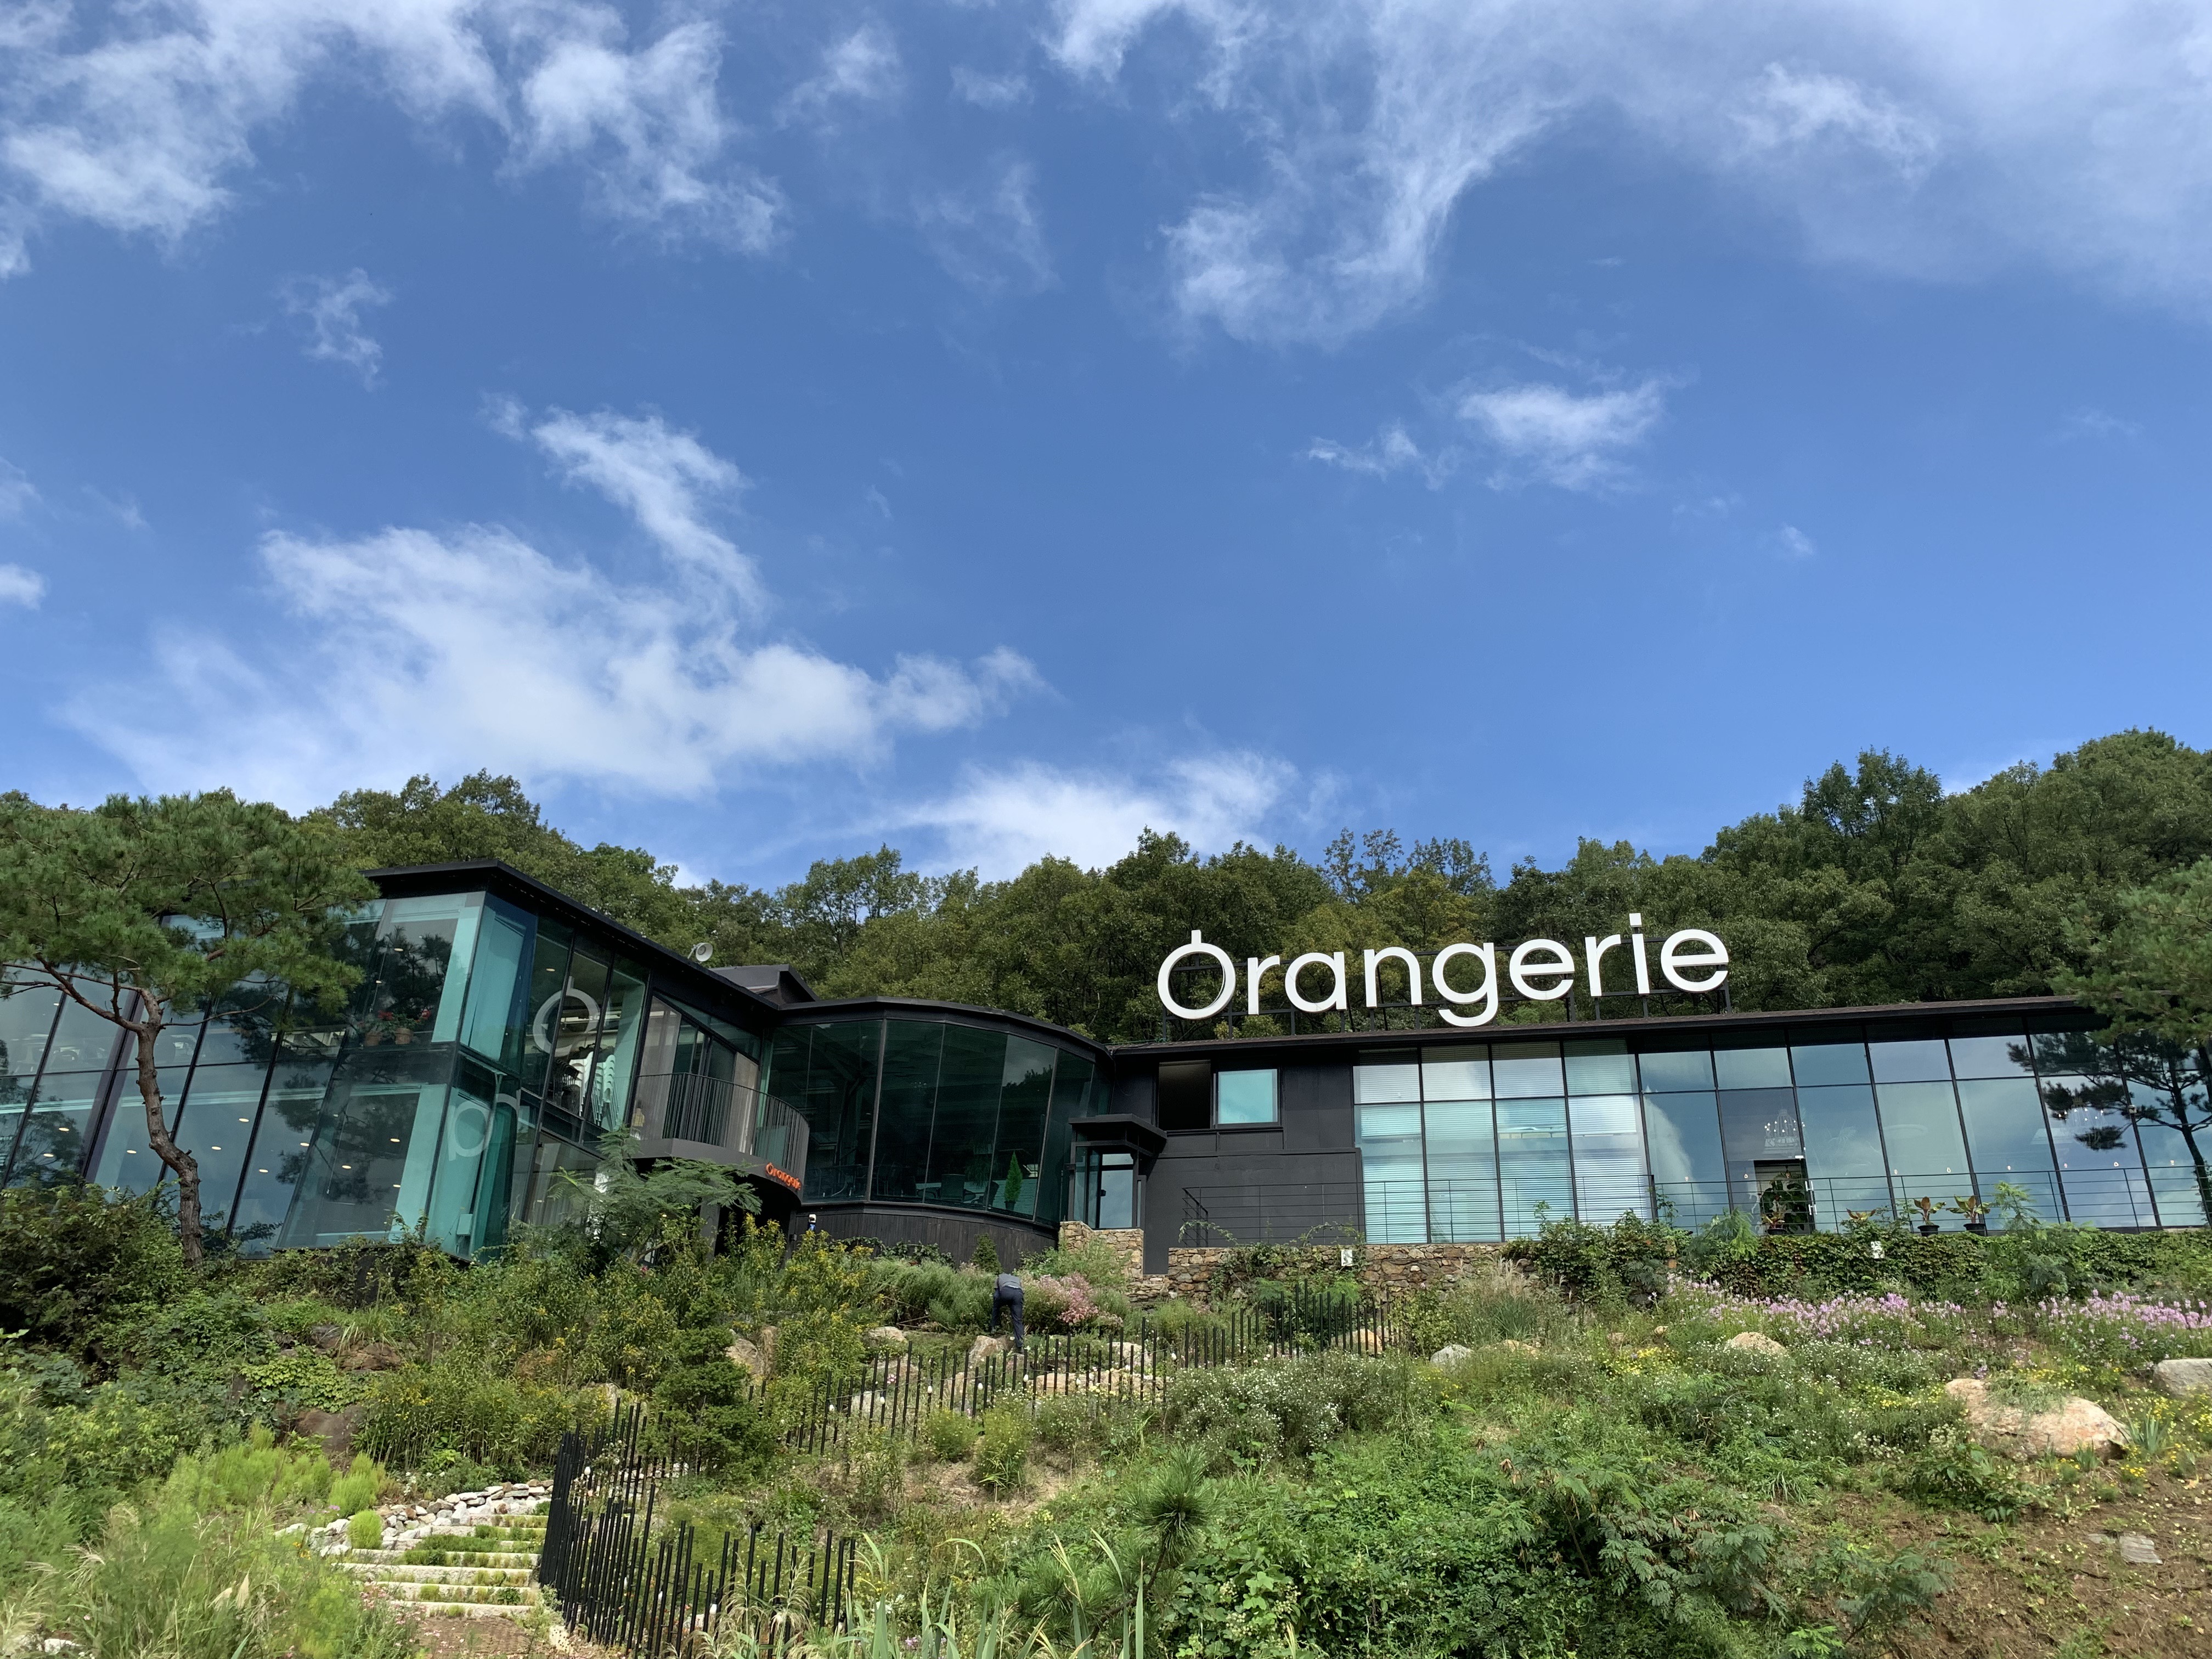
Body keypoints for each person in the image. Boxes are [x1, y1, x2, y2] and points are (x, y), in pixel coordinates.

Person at [989, 1269, 1025, 1353]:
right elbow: (1023, 1292)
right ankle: (1020, 1346)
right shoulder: (1017, 1279)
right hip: (1018, 1294)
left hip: (1006, 1291)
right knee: (1018, 1320)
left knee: (996, 1307)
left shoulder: (1000, 1277)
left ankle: (993, 1328)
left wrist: (998, 1303)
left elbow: (997, 1294)